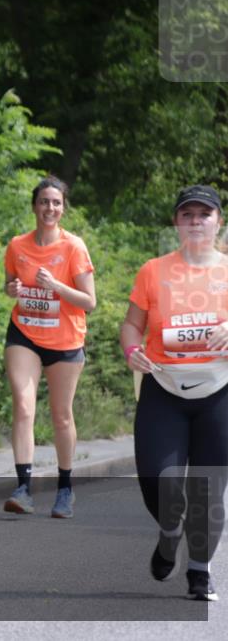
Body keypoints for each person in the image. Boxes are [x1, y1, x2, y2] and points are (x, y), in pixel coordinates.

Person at [120, 184, 228, 602]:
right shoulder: (154, 270)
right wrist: (132, 349)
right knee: (157, 482)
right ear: (176, 222)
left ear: (218, 221)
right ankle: (170, 531)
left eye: (205, 214)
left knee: (208, 489)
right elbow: (132, 325)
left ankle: (199, 573)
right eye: (188, 215)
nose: (196, 221)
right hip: (163, 389)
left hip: (219, 392)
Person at [3, 176, 96, 518]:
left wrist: (55, 285)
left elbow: (90, 301)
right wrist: (12, 289)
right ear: (34, 206)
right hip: (24, 333)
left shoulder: (74, 247)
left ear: (63, 209)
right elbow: (10, 284)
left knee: (60, 416)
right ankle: (23, 488)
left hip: (65, 341)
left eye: (56, 203)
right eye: (44, 201)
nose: (50, 208)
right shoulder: (17, 245)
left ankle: (65, 488)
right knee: (24, 407)